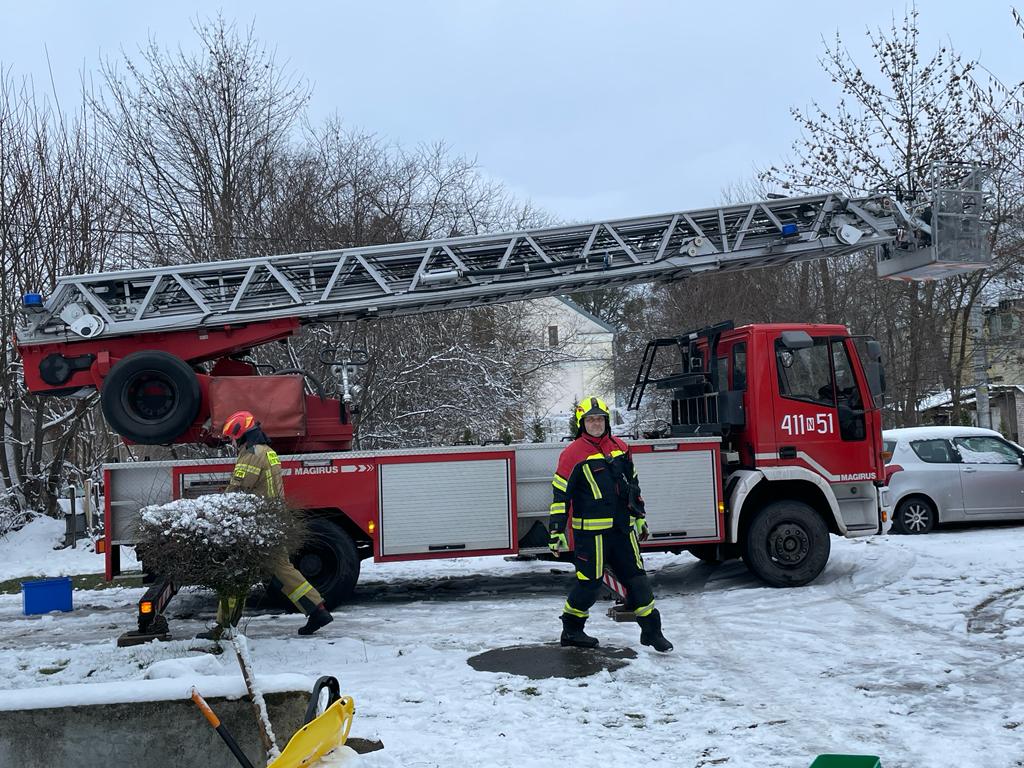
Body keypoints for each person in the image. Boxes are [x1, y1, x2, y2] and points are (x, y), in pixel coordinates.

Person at [548, 396, 673, 652]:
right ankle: (571, 630)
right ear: (582, 423)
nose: (596, 423)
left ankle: (652, 631)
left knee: (637, 578)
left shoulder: (621, 447)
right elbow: (561, 496)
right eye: (590, 420)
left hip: (622, 530)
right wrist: (556, 531)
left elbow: (633, 488)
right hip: (590, 534)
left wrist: (639, 517)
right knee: (590, 583)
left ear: (607, 421)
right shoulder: (572, 454)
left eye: (600, 419)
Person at [203, 410, 334, 638]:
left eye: (233, 437)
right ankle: (317, 610)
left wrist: (216, 507)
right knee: (282, 569)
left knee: (236, 571)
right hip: (273, 520)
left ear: (240, 432)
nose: (233, 442)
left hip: (259, 524)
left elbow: (239, 490)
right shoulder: (268, 451)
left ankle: (223, 627)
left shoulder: (252, 454)